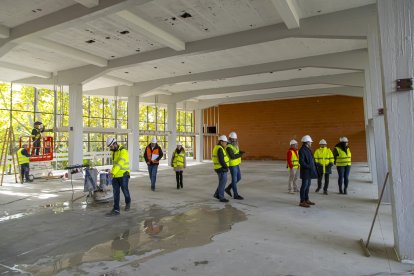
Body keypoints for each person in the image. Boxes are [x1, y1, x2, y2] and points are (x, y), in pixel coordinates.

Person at [106, 137, 131, 216]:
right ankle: (116, 209)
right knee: (116, 192)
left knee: (125, 191)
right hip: (116, 175)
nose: (110, 148)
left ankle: (128, 202)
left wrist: (112, 172)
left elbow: (120, 163)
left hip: (124, 175)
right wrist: (111, 171)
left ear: (115, 144)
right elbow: (115, 164)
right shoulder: (113, 152)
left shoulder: (123, 151)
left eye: (111, 146)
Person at [298, 135, 318, 208]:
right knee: (304, 186)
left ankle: (306, 199)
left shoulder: (308, 149)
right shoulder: (302, 150)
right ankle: (302, 201)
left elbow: (311, 159)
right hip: (305, 171)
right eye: (310, 142)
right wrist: (309, 166)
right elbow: (301, 162)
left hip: (309, 171)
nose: (311, 143)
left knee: (308, 186)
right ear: (307, 142)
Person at [224, 132, 245, 200]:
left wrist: (240, 152)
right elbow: (232, 156)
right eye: (232, 139)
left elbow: (236, 152)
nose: (234, 140)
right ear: (229, 139)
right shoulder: (228, 147)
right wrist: (240, 155)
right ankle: (235, 195)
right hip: (232, 165)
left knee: (238, 178)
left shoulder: (234, 145)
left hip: (236, 164)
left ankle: (228, 188)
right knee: (234, 179)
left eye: (235, 139)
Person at [212, 135, 230, 202]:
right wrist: (226, 167)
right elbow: (221, 160)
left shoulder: (217, 147)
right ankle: (221, 197)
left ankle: (216, 194)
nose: (226, 143)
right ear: (221, 141)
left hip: (218, 168)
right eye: (225, 142)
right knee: (223, 183)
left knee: (221, 182)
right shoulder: (220, 148)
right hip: (221, 168)